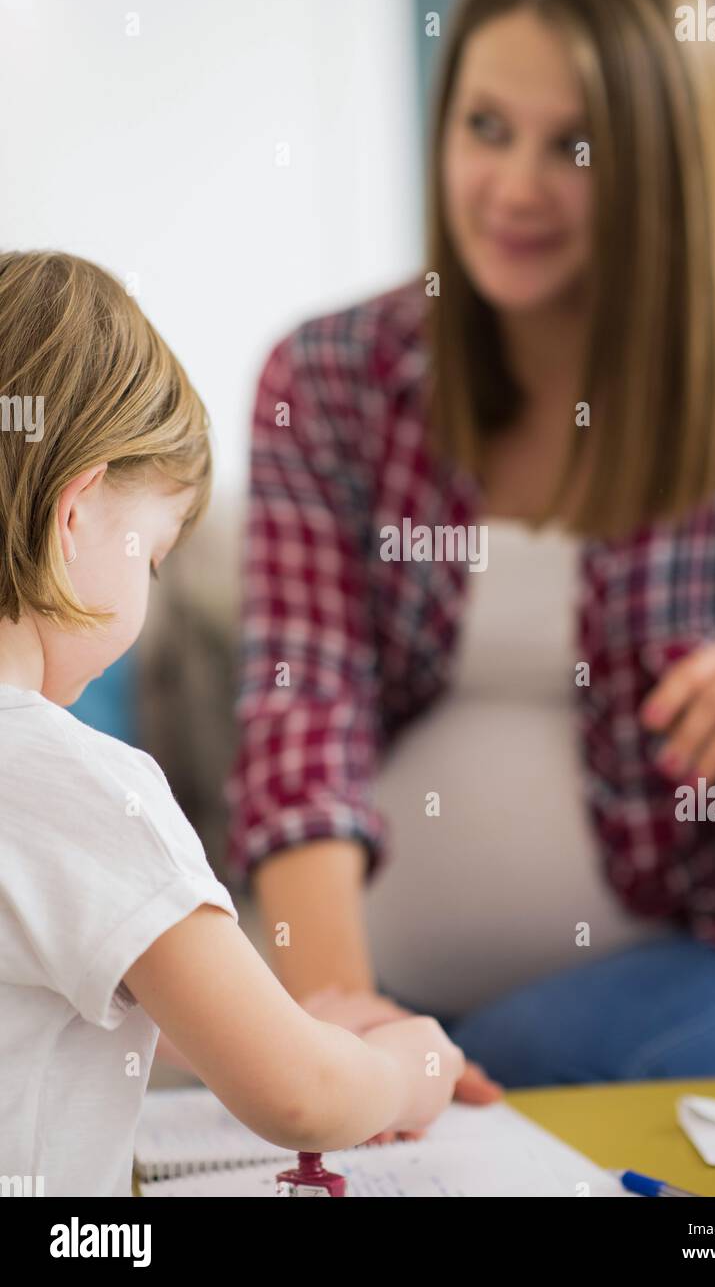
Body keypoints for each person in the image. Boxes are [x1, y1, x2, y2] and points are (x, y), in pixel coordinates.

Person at [229, 0, 715, 1093]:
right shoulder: (325, 380)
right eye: (485, 127)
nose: (512, 186)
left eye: (572, 145)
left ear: (668, 164)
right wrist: (336, 1019)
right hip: (382, 983)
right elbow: (303, 706)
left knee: (525, 1068)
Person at [0, 251, 464, 1197]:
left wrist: (250, 1008)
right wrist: (415, 1068)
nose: (153, 586)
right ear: (78, 515)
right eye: (156, 556)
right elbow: (300, 1094)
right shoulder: (86, 786)